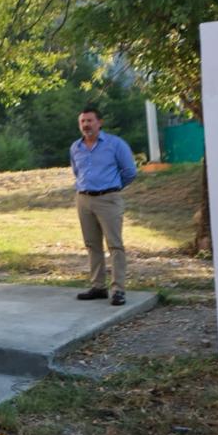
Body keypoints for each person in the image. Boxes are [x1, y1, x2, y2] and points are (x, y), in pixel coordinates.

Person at [71, 106, 138, 306]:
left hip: (108, 198)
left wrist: (112, 189)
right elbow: (77, 172)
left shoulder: (115, 144)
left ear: (99, 123)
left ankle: (118, 290)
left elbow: (129, 172)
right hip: (84, 200)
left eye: (90, 121)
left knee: (115, 245)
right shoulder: (76, 147)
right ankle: (98, 287)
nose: (86, 125)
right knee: (92, 245)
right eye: (82, 122)